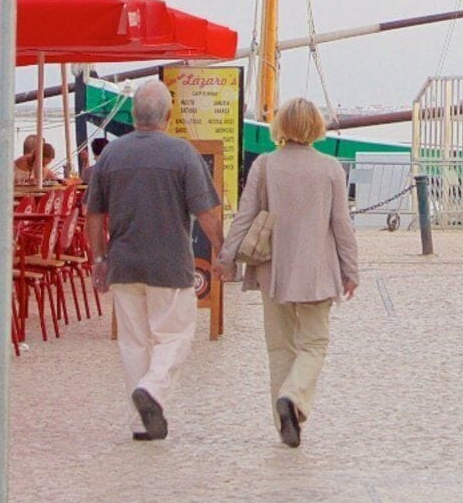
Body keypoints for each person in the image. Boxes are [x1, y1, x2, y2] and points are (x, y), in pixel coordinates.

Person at [84, 75, 220, 440]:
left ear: (132, 114)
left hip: (124, 262)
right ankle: (154, 390)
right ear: (168, 114)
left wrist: (98, 260)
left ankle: (139, 422)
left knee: (134, 342)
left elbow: (93, 214)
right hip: (169, 263)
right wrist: (223, 250)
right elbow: (206, 211)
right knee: (175, 335)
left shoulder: (112, 154)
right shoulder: (182, 154)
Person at [226, 95, 363, 447]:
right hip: (318, 271)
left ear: (281, 126)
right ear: (316, 126)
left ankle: (283, 420)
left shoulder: (265, 165)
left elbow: (245, 214)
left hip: (274, 270)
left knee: (279, 348)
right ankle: (294, 397)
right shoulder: (331, 168)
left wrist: (227, 257)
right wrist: (351, 270)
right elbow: (341, 226)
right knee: (314, 344)